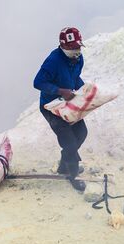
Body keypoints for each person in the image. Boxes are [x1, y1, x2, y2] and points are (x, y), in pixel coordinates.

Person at [34, 27, 87, 191]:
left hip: (68, 103)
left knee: (81, 133)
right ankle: (72, 175)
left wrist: (84, 89)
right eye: (71, 48)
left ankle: (64, 165)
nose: (75, 51)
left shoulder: (78, 58)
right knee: (69, 141)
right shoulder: (53, 61)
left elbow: (74, 77)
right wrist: (59, 91)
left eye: (77, 47)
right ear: (62, 46)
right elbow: (38, 82)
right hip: (52, 106)